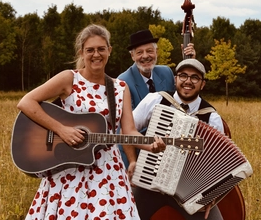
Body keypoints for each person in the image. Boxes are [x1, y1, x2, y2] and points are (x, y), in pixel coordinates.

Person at [17, 24, 166, 220]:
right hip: (70, 169)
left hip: (108, 171)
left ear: (109, 51)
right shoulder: (69, 79)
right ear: (82, 52)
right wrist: (62, 130)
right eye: (90, 50)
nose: (96, 54)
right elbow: (26, 102)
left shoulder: (120, 88)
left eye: (101, 49)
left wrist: (150, 146)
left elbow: (129, 131)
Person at [127, 58, 225, 220]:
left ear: (202, 84)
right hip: (148, 182)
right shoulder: (156, 100)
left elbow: (216, 161)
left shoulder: (211, 117)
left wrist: (210, 193)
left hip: (189, 192)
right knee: (125, 214)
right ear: (175, 79)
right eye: (183, 75)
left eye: (195, 77)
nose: (188, 81)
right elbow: (128, 131)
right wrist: (132, 160)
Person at [118, 29, 196, 168]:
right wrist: (132, 161)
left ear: (156, 52)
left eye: (149, 51)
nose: (145, 56)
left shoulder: (166, 72)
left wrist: (191, 62)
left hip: (166, 150)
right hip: (135, 151)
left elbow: (184, 97)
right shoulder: (123, 82)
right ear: (132, 56)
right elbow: (126, 128)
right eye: (139, 52)